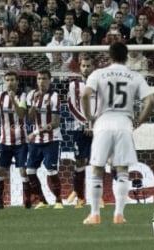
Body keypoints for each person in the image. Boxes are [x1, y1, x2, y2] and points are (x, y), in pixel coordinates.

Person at [81, 42, 154, 224]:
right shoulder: (134, 75)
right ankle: (119, 214)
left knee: (97, 169)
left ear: (110, 56)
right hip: (124, 123)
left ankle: (95, 214)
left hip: (103, 122)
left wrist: (90, 116)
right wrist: (140, 120)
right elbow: (151, 100)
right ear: (126, 55)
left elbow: (85, 95)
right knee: (122, 169)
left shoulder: (98, 73)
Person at [0, 71, 31, 209]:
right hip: (4, 142)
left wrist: (13, 100)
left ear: (17, 82)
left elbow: (21, 114)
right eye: (7, 80)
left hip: (21, 142)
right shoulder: (0, 96)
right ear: (4, 82)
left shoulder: (23, 96)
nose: (10, 82)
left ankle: (27, 199)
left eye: (12, 80)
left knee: (23, 171)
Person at [26, 69, 63, 209]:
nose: (41, 81)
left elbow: (55, 123)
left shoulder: (54, 96)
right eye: (39, 79)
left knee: (51, 171)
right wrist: (34, 103)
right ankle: (43, 201)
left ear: (50, 80)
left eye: (44, 79)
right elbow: (29, 118)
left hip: (51, 140)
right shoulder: (31, 95)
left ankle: (59, 201)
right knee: (30, 171)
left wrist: (35, 132)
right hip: (36, 141)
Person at [66, 56, 96, 208]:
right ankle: (80, 196)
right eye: (83, 66)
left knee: (99, 162)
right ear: (80, 68)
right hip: (80, 127)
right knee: (79, 161)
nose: (85, 68)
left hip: (96, 127)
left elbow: (102, 104)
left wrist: (93, 123)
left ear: (93, 67)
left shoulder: (99, 84)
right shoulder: (73, 85)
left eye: (88, 65)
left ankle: (98, 197)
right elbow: (72, 106)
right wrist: (85, 123)